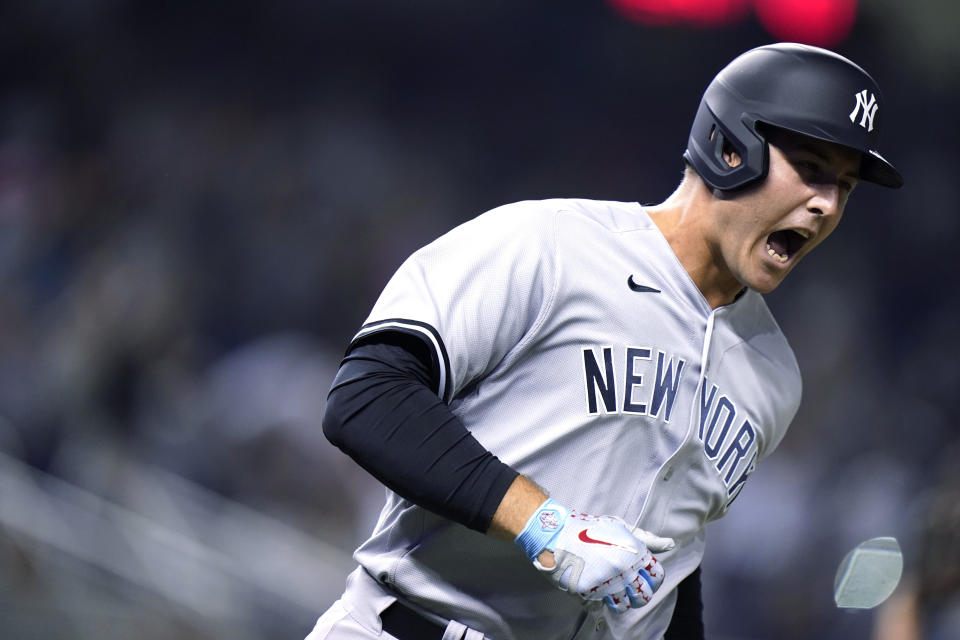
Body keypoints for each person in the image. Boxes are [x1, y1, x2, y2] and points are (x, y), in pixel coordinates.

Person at [308, 43, 903, 640]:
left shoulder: (774, 376)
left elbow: (671, 568)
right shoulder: (552, 246)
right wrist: (546, 527)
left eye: (845, 186)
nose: (826, 204)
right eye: (812, 169)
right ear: (731, 148)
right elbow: (367, 397)